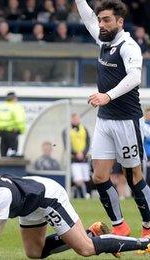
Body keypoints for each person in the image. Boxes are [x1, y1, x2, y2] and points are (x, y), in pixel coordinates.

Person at [0, 157, 150, 259]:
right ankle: (91, 231)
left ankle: (142, 242)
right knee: (34, 254)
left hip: (47, 196)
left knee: (84, 250)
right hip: (27, 206)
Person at [76, 0, 150, 237]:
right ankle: (120, 226)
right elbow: (87, 17)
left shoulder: (129, 46)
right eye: (100, 20)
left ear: (120, 21)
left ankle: (148, 228)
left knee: (133, 177)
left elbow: (134, 78)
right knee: (98, 175)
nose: (101, 24)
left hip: (127, 121)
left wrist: (107, 96)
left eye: (107, 20)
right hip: (105, 120)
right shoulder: (104, 40)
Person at [67, 113, 91, 199]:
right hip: (74, 159)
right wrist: (75, 153)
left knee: (86, 178)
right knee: (78, 179)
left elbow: (88, 142)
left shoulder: (84, 129)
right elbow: (67, 145)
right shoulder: (67, 130)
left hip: (84, 158)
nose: (76, 120)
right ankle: (83, 195)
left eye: (77, 119)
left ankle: (84, 195)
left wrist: (83, 153)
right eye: (74, 119)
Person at [0, 92, 25, 157]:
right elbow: (20, 120)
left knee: (3, 153)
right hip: (12, 132)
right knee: (14, 153)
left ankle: (2, 166)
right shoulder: (16, 107)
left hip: (2, 132)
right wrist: (21, 130)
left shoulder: (1, 107)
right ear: (14, 98)